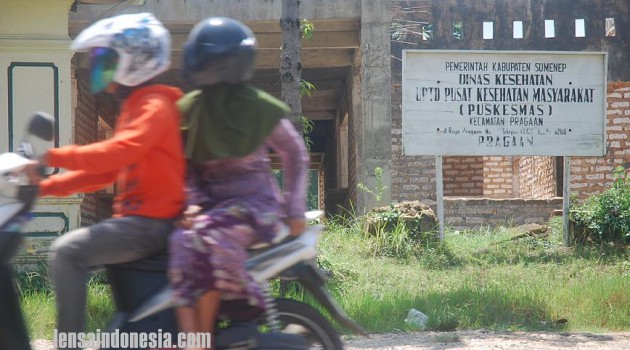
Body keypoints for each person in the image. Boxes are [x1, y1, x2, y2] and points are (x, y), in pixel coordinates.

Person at [23, 13, 186, 343]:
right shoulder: (136, 107)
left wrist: (50, 157)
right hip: (140, 222)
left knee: (68, 252)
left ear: (135, 61)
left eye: (109, 59)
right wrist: (44, 187)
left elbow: (117, 153)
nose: (103, 69)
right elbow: (105, 173)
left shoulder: (154, 105)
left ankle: (67, 344)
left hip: (150, 224)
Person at [168, 17, 310, 346]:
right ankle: (192, 338)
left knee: (203, 235)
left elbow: (295, 154)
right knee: (177, 240)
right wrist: (189, 201)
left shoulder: (256, 106)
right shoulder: (190, 108)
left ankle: (200, 341)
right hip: (210, 208)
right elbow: (185, 167)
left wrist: (295, 208)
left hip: (254, 207)